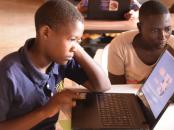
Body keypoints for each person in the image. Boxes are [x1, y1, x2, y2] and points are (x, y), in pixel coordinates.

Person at [0, 0, 111, 130]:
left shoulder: (61, 62)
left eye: (78, 41)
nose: (74, 48)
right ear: (46, 32)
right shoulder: (9, 73)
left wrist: (76, 46)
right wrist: (46, 111)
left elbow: (103, 86)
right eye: (71, 39)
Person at [108, 0, 174, 84]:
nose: (162, 37)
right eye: (155, 30)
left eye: (167, 29)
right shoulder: (120, 45)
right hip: (128, 96)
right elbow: (117, 89)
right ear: (140, 28)